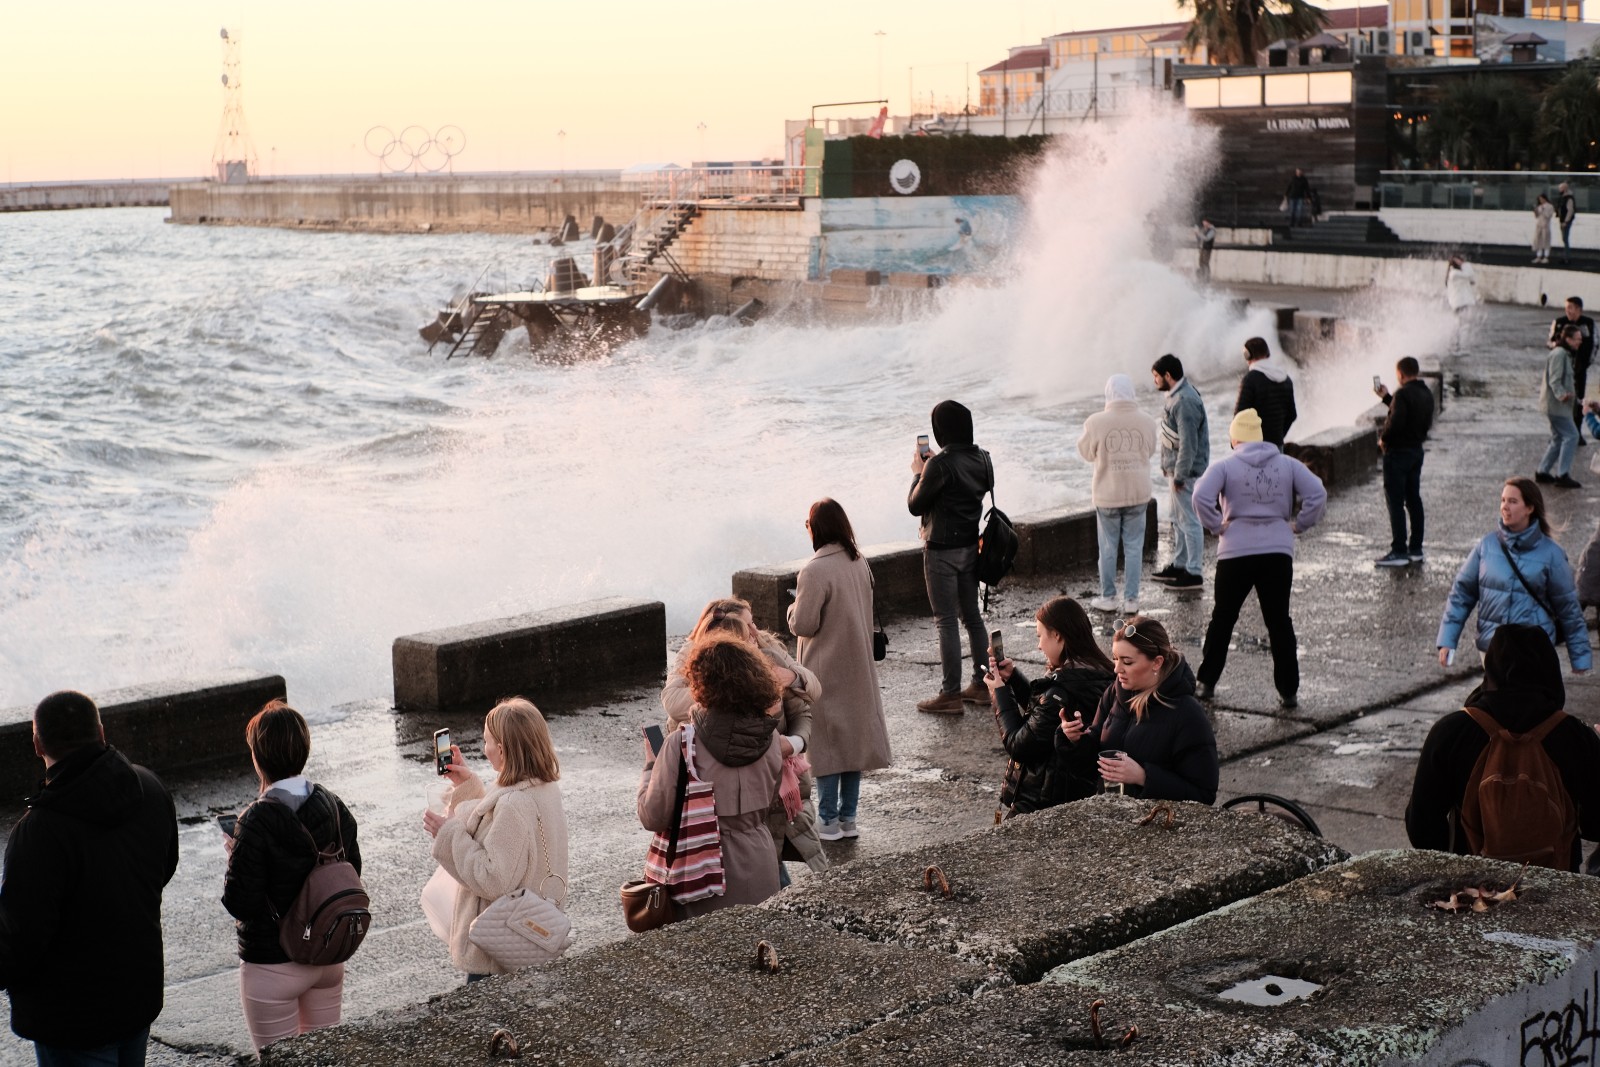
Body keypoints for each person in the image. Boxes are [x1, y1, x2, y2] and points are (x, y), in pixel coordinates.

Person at [0, 691, 179, 1066]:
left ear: (36, 744)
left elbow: (19, 943)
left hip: (72, 1021)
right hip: (137, 997)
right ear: (101, 731)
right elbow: (164, 868)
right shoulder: (149, 789)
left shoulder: (39, 833)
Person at [223, 700, 361, 1050]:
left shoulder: (254, 820)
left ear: (258, 757)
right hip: (328, 955)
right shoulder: (333, 804)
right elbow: (351, 871)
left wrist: (235, 857)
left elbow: (242, 902)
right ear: (304, 749)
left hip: (274, 966)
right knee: (323, 1058)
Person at [1406, 623, 1600, 872]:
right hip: (1555, 888)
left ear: (1491, 669)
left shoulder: (1451, 732)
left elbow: (1421, 830)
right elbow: (1596, 825)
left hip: (1472, 892)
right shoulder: (1576, 736)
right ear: (1550, 670)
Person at [664, 597, 826, 874]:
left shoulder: (768, 650)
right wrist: (723, 688)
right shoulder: (694, 657)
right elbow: (671, 701)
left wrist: (792, 679)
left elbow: (807, 700)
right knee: (752, 860)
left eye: (753, 624)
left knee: (776, 853)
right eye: (747, 626)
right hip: (731, 781)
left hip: (780, 775)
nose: (754, 633)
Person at [638, 634, 785, 917]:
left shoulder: (682, 743)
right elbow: (770, 801)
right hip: (761, 861)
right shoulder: (771, 739)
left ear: (701, 684)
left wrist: (649, 767)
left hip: (701, 872)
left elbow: (653, 816)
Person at [423, 697, 568, 981]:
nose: (485, 748)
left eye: (487, 741)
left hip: (499, 952)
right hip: (531, 934)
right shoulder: (543, 788)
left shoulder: (514, 803)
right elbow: (498, 831)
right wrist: (468, 786)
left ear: (502, 749)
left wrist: (447, 833)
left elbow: (492, 878)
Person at [1192, 409, 1327, 708]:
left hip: (1235, 552)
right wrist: (1300, 524)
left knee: (1223, 618)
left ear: (1235, 437)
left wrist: (1217, 525)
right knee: (1279, 621)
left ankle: (1206, 682)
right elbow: (1317, 492)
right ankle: (1288, 691)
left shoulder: (1225, 466)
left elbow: (1200, 495)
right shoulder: (1287, 464)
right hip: (1277, 552)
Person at [788, 499, 892, 837]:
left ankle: (827, 820)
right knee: (852, 744)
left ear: (816, 528)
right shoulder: (858, 561)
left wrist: (791, 609)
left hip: (825, 667)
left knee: (828, 746)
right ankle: (848, 819)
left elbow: (804, 623)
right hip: (858, 664)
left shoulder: (814, 570)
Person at [1437, 477, 1591, 674]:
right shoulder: (1486, 546)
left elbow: (1569, 609)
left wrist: (1580, 658)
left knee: (1525, 704)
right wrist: (1447, 640)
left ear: (1529, 508)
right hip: (1492, 651)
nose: (1505, 507)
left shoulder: (1552, 554)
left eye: (1512, 501)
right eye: (1503, 500)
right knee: (1498, 704)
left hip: (1532, 652)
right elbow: (1461, 595)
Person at [984, 596, 1116, 817]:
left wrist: (999, 693)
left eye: (1040, 636)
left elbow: (1019, 744)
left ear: (1057, 635)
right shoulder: (1094, 673)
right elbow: (1044, 719)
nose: (1038, 645)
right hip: (1071, 792)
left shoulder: (1063, 690)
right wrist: (1014, 678)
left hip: (1042, 800)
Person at [908, 399, 995, 713]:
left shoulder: (938, 465)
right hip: (970, 548)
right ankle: (983, 685)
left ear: (940, 430)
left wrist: (919, 472)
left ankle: (950, 695)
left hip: (941, 551)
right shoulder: (983, 458)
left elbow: (915, 506)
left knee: (945, 621)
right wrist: (933, 468)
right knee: (972, 618)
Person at [1090, 617, 1219, 803]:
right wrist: (1074, 740)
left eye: (1127, 662)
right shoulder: (1115, 692)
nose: (1117, 669)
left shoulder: (1188, 715)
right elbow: (1094, 749)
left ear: (1157, 662)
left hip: (1155, 825)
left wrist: (1143, 776)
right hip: (1111, 815)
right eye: (1115, 659)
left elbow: (1204, 795)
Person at [1078, 374, 1158, 614]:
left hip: (1108, 494)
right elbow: (1151, 450)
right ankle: (1132, 600)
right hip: (1137, 492)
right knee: (1134, 548)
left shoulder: (1095, 422)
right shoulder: (1147, 421)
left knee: (1108, 548)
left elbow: (1085, 452)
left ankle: (1109, 597)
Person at [1151, 354, 1209, 590]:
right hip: (1176, 469)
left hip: (1184, 471)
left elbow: (1189, 443)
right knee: (1177, 519)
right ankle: (1180, 564)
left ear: (1168, 375)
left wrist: (1180, 475)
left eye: (1156, 376)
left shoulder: (1184, 400)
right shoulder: (1178, 395)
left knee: (1189, 521)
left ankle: (1193, 572)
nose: (1154, 381)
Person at [1373, 357, 1434, 567]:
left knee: (1396, 502)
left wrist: (1383, 439)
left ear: (1400, 374)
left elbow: (1397, 421)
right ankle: (1415, 549)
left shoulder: (1403, 394)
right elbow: (1408, 413)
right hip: (1416, 451)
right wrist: (1387, 398)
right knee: (1413, 500)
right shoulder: (1425, 393)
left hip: (1398, 454)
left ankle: (1399, 550)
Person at [1535, 325, 1582, 489]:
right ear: (1568, 339)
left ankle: (1542, 471)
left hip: (1558, 406)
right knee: (1572, 436)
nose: (1579, 343)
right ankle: (1562, 474)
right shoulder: (1559, 354)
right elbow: (1555, 380)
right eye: (1577, 339)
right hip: (1557, 406)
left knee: (1558, 438)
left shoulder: (1564, 354)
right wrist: (1562, 395)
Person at [1234, 337, 1296, 447]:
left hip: (1254, 449)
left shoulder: (1250, 380)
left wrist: (1235, 444)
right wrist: (1278, 437)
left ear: (1248, 355)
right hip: (1276, 447)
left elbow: (1239, 417)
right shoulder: (1286, 379)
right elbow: (1292, 415)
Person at [1549, 297, 1594, 445]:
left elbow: (1595, 345)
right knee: (1559, 398)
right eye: (1567, 307)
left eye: (1571, 308)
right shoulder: (1560, 322)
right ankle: (1557, 434)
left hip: (1580, 369)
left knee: (1578, 399)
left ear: (1579, 309)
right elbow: (1549, 342)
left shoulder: (1588, 324)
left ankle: (1576, 431)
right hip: (1562, 368)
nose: (1568, 311)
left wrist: (1586, 363)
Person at [1557, 181, 1576, 265]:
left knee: (1565, 239)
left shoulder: (1568, 198)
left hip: (1565, 221)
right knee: (1564, 239)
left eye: (1560, 188)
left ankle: (1567, 257)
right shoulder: (1564, 198)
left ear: (1564, 189)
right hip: (1563, 220)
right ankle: (1565, 256)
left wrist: (1566, 221)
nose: (1559, 190)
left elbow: (1570, 210)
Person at [1533, 193, 1555, 264]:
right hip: (1539, 225)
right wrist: (1536, 211)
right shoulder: (1539, 206)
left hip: (1546, 225)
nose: (1541, 200)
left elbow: (1549, 215)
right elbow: (1537, 216)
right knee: (1538, 241)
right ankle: (1538, 256)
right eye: (1539, 199)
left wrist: (1543, 210)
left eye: (1542, 199)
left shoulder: (1550, 206)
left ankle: (1546, 257)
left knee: (1546, 241)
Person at [1194, 218, 1216, 282]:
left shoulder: (1212, 230)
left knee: (1205, 263)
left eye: (1205, 222)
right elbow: (1200, 238)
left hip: (1207, 249)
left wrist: (1199, 234)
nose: (1203, 223)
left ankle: (1207, 277)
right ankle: (1202, 276)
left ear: (1208, 222)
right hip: (1202, 248)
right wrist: (1197, 235)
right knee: (1201, 262)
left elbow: (1207, 238)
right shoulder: (1204, 229)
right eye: (1203, 222)